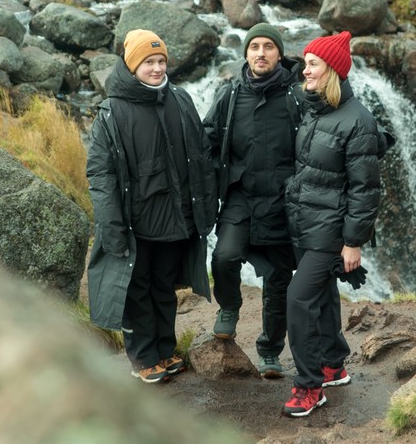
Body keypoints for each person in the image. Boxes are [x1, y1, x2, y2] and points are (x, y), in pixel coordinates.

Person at [86, 29, 217, 384]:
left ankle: (165, 349)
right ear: (132, 66)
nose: (157, 69)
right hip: (136, 224)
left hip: (176, 220)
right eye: (149, 62)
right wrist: (111, 225)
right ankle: (143, 358)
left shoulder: (180, 99)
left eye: (161, 62)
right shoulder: (112, 113)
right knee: (136, 290)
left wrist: (205, 209)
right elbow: (101, 175)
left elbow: (200, 158)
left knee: (163, 287)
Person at [281, 30, 388, 417]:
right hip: (306, 222)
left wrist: (353, 242)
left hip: (330, 230)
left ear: (332, 71)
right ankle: (332, 364)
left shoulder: (358, 120)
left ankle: (310, 386)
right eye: (305, 63)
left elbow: (366, 188)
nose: (303, 70)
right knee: (322, 295)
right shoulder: (314, 108)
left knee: (298, 298)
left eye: (312, 64)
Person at [203, 22, 304, 379]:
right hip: (240, 198)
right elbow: (207, 139)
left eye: (268, 47)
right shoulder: (230, 96)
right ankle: (229, 306)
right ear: (246, 53)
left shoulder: (297, 95)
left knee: (278, 279)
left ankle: (270, 351)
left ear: (279, 53)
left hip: (282, 203)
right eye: (254, 47)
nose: (261, 53)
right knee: (224, 256)